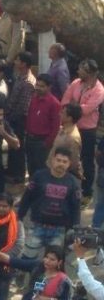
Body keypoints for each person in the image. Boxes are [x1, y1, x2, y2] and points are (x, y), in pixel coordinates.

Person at [18, 149, 81, 261]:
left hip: (59, 231)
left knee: (53, 263)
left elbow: (75, 207)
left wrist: (75, 227)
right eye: (58, 160)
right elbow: (27, 197)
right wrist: (19, 217)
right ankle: (20, 279)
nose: (61, 163)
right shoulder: (39, 176)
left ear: (69, 164)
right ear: (52, 160)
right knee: (26, 259)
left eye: (64, 161)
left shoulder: (73, 182)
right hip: (37, 226)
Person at [61, 59, 104, 200]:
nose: (78, 71)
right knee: (67, 156)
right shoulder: (75, 83)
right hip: (71, 127)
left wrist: (72, 108)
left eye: (81, 69)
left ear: (89, 73)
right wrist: (75, 107)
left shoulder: (99, 89)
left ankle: (86, 192)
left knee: (87, 161)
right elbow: (65, 100)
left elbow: (87, 110)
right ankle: (67, 187)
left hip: (87, 130)